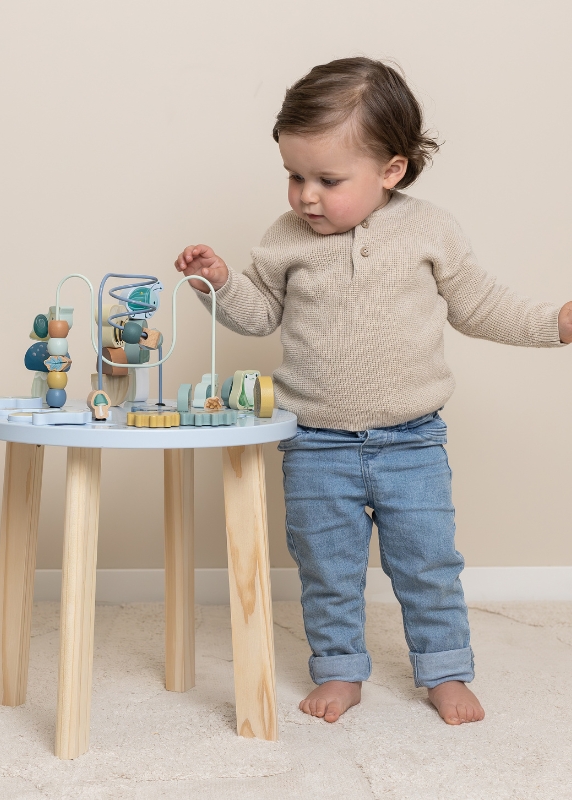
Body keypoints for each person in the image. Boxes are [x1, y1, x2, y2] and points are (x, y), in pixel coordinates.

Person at [174, 57, 572, 726]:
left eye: (328, 180)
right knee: (327, 567)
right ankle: (339, 668)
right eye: (294, 175)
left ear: (391, 170)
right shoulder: (286, 238)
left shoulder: (431, 231)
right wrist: (217, 282)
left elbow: (479, 305)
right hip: (314, 442)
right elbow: (258, 314)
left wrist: (553, 324)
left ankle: (444, 669)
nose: (305, 195)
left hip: (411, 440)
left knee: (427, 564)